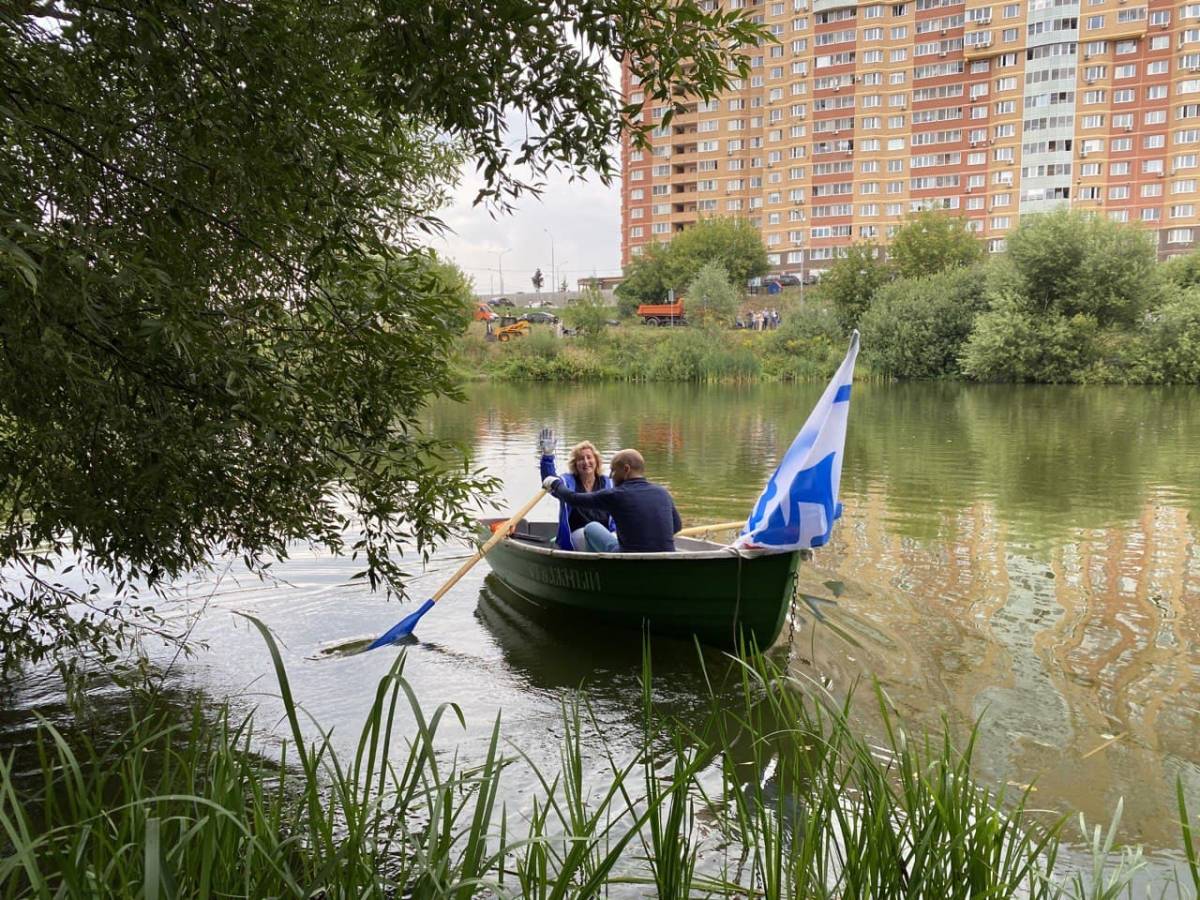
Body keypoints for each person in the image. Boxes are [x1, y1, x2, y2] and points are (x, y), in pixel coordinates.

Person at [543, 449, 681, 553]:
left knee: (592, 526)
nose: (611, 477)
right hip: (665, 557)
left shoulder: (616, 494)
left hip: (628, 558)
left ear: (626, 469)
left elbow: (573, 499)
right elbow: (677, 526)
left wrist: (555, 484)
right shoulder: (663, 492)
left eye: (614, 471)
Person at [537, 428, 617, 551]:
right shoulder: (568, 482)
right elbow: (550, 481)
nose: (586, 462)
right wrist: (548, 456)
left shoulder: (609, 483)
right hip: (577, 536)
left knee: (613, 537)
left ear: (596, 461)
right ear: (575, 464)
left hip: (605, 536)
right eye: (581, 459)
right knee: (589, 532)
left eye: (589, 457)